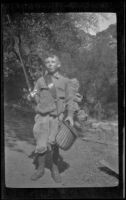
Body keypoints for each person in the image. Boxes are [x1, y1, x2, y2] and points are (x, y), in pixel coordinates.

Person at [28, 54, 76, 183]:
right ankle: (40, 169)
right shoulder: (40, 80)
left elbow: (70, 100)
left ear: (58, 64)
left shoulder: (66, 81)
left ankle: (55, 169)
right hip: (42, 117)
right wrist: (31, 95)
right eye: (47, 62)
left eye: (53, 61)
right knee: (41, 143)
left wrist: (70, 115)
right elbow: (35, 95)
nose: (50, 64)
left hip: (56, 117)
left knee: (55, 144)